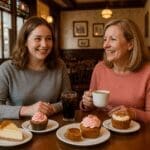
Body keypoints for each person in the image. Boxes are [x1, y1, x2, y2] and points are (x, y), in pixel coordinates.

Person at [0, 16, 71, 119]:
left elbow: (68, 99)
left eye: (48, 39)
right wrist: (27, 110)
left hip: (51, 126)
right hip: (17, 131)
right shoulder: (7, 69)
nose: (44, 44)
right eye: (38, 38)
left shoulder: (59, 65)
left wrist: (52, 108)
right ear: (25, 41)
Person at [80, 19, 150, 123]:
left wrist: (132, 113)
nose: (105, 45)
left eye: (112, 39)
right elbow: (91, 105)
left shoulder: (147, 72)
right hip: (101, 131)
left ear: (130, 44)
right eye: (104, 40)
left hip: (134, 134)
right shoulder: (100, 68)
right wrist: (86, 103)